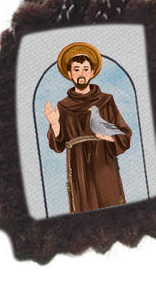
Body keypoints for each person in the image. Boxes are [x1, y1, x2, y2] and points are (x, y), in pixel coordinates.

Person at [44, 42, 132, 213]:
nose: (81, 74)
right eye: (76, 69)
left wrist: (109, 138)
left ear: (92, 73)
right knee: (84, 210)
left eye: (85, 69)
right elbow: (58, 146)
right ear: (70, 74)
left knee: (111, 207)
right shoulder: (63, 107)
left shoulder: (106, 101)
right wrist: (55, 124)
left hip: (104, 162)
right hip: (78, 167)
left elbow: (124, 132)